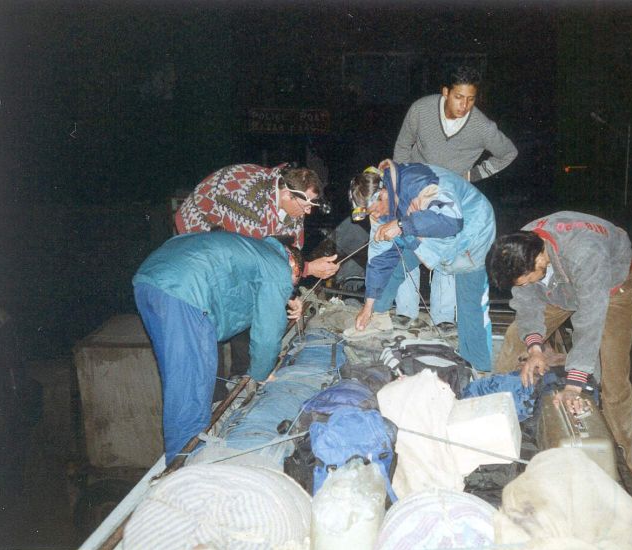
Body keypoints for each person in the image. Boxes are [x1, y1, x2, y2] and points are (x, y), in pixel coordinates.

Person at [133, 232, 303, 463]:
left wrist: (285, 297)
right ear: (292, 264)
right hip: (186, 291)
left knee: (176, 376)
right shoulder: (278, 265)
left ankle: (180, 455)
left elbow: (239, 302)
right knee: (192, 385)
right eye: (293, 283)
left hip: (149, 282)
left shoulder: (256, 251)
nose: (289, 289)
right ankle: (186, 464)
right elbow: (268, 332)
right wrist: (261, 374)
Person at [487, 211, 632, 471]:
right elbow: (527, 304)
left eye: (525, 280)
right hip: (558, 288)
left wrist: (574, 384)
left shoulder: (585, 253)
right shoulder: (522, 247)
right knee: (515, 339)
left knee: (614, 378)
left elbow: (590, 319)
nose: (522, 285)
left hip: (610, 289)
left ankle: (624, 464)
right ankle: (497, 422)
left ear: (539, 259)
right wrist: (535, 348)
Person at [389, 65, 518, 329]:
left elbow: (508, 153)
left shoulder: (482, 127)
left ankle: (444, 317)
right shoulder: (421, 110)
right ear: (446, 92)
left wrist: (472, 175)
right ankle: (405, 312)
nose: (464, 105)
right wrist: (401, 185)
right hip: (416, 188)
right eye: (459, 97)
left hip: (450, 194)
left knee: (448, 247)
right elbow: (402, 146)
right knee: (407, 241)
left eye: (471, 99)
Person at [348, 161, 496, 372]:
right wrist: (367, 307)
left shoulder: (418, 181)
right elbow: (379, 259)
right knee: (392, 263)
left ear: (383, 193)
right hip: (428, 231)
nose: (375, 216)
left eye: (375, 211)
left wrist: (401, 225)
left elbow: (452, 220)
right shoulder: (379, 209)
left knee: (471, 303)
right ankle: (376, 316)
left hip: (472, 232)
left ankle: (479, 367)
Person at [175, 163, 339, 279]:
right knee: (223, 277)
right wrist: (308, 269)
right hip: (198, 223)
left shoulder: (293, 196)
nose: (308, 212)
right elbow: (255, 261)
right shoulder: (249, 206)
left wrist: (300, 272)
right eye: (305, 206)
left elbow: (291, 250)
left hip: (242, 227)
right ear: (286, 194)